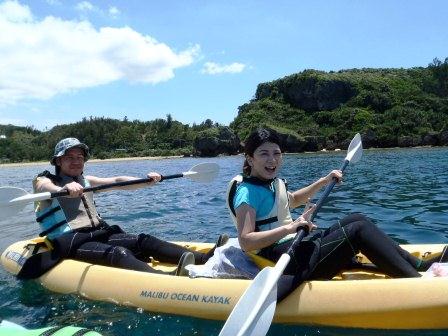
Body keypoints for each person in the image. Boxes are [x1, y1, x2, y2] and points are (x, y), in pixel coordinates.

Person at [227, 128, 447, 300]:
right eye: (263, 154)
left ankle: (418, 264)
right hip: (281, 258)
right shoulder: (247, 192)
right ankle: (417, 281)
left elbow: (292, 201)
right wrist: (291, 227)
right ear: (250, 159)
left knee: (357, 218)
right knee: (358, 231)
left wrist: (324, 181)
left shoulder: (273, 183)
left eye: (276, 153)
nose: (272, 160)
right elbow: (246, 242)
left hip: (298, 244)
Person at [28, 137, 227, 278]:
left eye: (79, 157)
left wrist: (146, 181)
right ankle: (164, 279)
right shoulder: (45, 180)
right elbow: (43, 187)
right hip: (71, 242)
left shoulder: (85, 180)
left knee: (144, 240)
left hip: (98, 234)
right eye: (70, 157)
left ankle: (204, 258)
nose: (76, 161)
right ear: (58, 161)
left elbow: (117, 180)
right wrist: (63, 188)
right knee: (119, 253)